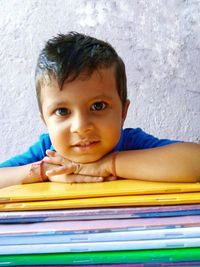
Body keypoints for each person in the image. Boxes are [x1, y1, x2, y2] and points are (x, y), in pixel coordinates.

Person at [0, 32, 199, 189]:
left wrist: (109, 164)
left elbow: (195, 161)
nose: (81, 127)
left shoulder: (131, 144)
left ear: (123, 112)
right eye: (62, 111)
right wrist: (41, 172)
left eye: (98, 106)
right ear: (45, 119)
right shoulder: (47, 151)